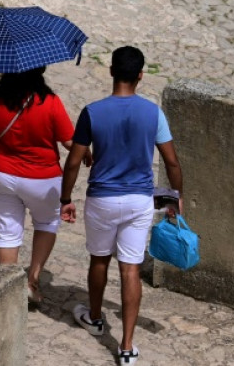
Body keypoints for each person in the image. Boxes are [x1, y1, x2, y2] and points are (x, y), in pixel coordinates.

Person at [60, 46, 183, 366]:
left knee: (99, 260)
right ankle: (127, 347)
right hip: (139, 201)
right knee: (130, 269)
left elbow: (73, 162)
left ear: (111, 71)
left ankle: (96, 318)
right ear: (141, 75)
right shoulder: (153, 113)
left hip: (102, 199)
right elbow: (172, 162)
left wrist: (65, 198)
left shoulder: (92, 111)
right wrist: (174, 198)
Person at [0, 66, 85, 303]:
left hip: (1, 174)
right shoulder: (50, 102)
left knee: (7, 232)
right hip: (42, 179)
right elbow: (69, 141)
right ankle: (32, 281)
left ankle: (4, 293)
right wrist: (88, 153)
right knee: (46, 223)